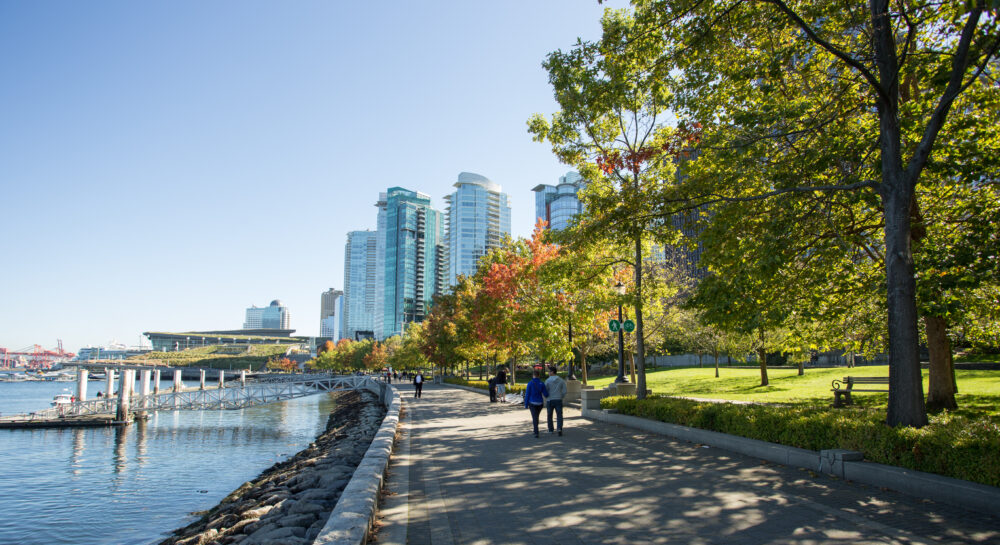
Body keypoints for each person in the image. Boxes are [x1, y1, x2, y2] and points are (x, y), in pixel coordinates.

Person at [523, 369, 549, 438]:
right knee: (536, 416)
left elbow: (527, 394)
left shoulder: (530, 383)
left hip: (532, 402)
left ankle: (536, 432)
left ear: (533, 375)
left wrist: (525, 404)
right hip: (540, 403)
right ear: (539, 375)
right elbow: (545, 394)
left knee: (534, 417)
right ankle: (535, 430)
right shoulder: (542, 383)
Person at [544, 365, 567, 436]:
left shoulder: (547, 381)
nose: (548, 373)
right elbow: (564, 391)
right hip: (558, 399)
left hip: (550, 400)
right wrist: (561, 396)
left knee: (549, 415)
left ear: (552, 372)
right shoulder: (561, 380)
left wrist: (546, 396)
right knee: (559, 415)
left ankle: (550, 429)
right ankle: (559, 428)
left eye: (549, 371)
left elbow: (545, 390)